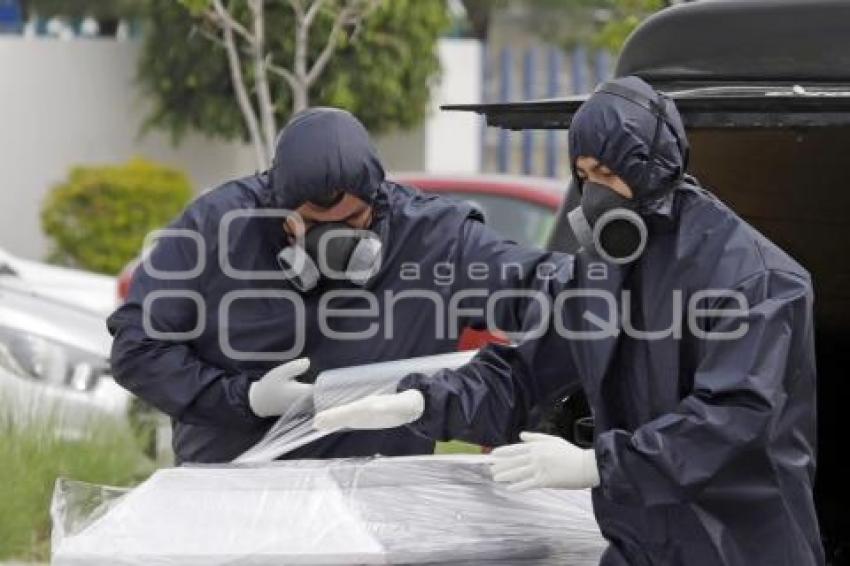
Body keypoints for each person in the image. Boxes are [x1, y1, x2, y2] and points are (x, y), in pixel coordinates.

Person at [313, 77, 824, 565]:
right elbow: (523, 371)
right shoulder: (601, 269)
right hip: (642, 543)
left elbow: (730, 421)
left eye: (607, 173)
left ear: (652, 168)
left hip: (741, 551)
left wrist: (594, 465)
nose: (593, 192)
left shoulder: (756, 279)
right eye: (583, 175)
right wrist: (422, 399)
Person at [107, 107, 573, 464]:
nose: (337, 239)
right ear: (277, 204)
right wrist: (243, 398)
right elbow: (138, 346)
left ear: (377, 201)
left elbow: (537, 289)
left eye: (353, 221)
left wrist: (614, 285)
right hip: (236, 503)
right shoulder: (215, 229)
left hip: (377, 510)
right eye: (314, 223)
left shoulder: (435, 241)